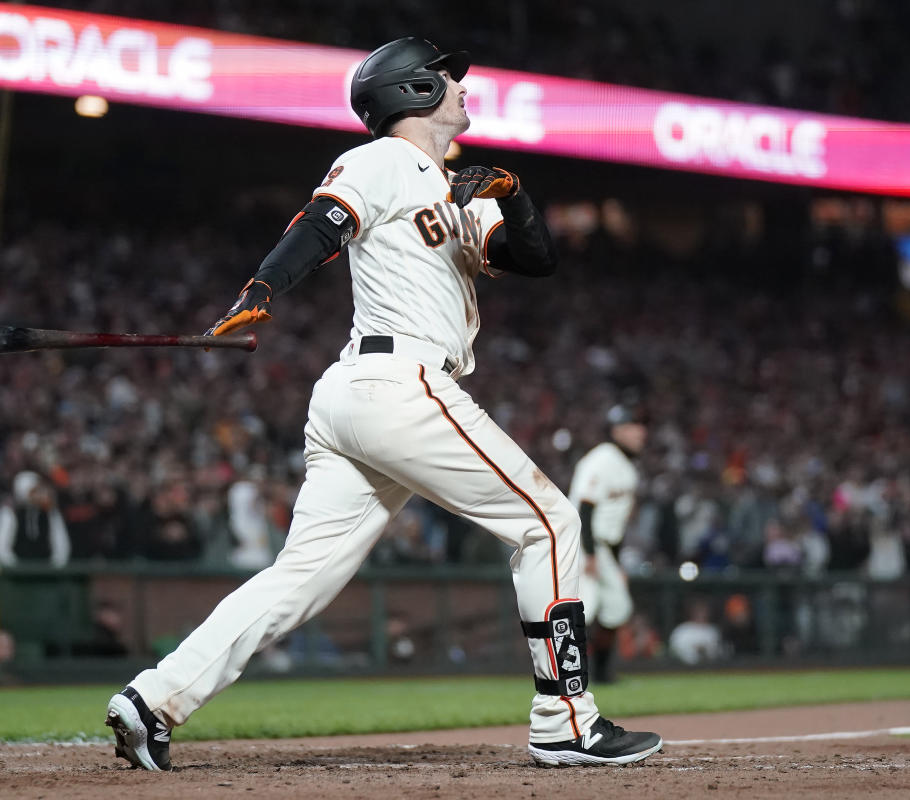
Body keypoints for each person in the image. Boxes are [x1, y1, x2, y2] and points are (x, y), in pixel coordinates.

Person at [103, 36, 661, 771]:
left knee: (298, 579)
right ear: (412, 94)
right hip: (399, 384)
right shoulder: (383, 160)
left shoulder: (451, 185)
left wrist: (514, 196)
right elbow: (323, 225)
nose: (459, 85)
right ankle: (566, 720)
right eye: (443, 77)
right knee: (550, 522)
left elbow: (536, 260)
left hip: (362, 399)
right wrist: (262, 291)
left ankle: (153, 699)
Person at [567, 404, 647, 683]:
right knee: (585, 609)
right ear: (618, 431)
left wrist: (615, 561)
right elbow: (585, 509)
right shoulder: (601, 459)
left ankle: (600, 674)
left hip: (602, 547)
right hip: (583, 543)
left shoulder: (627, 466)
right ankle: (571, 675)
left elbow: (616, 525)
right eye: (634, 426)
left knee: (615, 607)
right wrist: (588, 554)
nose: (641, 432)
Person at [0, 471, 71, 567]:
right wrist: (16, 567)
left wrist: (54, 566)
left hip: (46, 570)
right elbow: (1, 548)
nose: (40, 494)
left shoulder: (50, 512)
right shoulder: (10, 512)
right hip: (17, 572)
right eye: (34, 490)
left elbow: (61, 544)